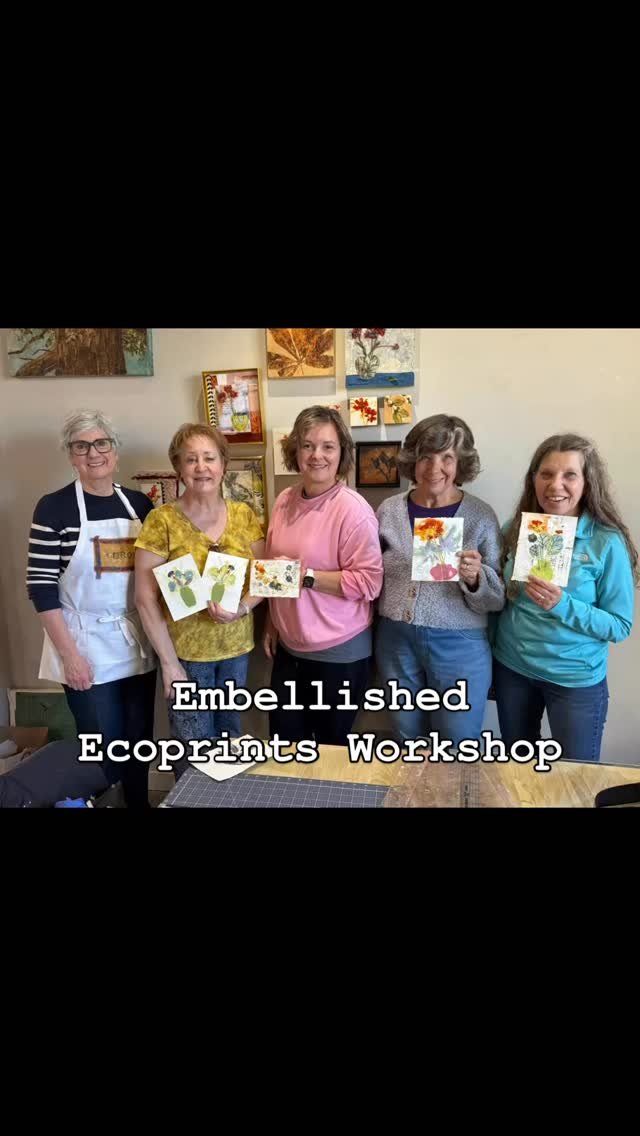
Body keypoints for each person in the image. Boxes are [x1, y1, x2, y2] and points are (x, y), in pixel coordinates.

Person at [27, 409, 157, 809]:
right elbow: (41, 588)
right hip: (85, 647)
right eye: (81, 446)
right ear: (71, 455)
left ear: (115, 451)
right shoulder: (54, 508)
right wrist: (71, 657)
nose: (93, 453)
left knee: (138, 745)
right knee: (102, 750)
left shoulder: (140, 504)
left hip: (135, 643)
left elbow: (159, 573)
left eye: (101, 443)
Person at [493, 433, 637, 762]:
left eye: (569, 475)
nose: (555, 485)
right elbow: (497, 602)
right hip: (512, 669)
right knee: (518, 771)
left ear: (587, 482)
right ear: (533, 479)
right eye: (546, 474)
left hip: (575, 680)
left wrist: (563, 605)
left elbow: (619, 626)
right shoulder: (515, 529)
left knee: (576, 775)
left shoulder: (605, 541)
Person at [135, 424, 264, 770]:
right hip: (186, 658)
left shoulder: (244, 515)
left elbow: (263, 578)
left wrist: (242, 608)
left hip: (236, 654)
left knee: (230, 743)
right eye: (191, 459)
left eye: (209, 457)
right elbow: (145, 599)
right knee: (193, 753)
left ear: (223, 464)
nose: (201, 467)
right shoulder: (161, 520)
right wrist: (168, 664)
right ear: (178, 468)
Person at [376, 414, 505, 747]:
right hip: (396, 640)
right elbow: (372, 574)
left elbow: (497, 599)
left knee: (457, 743)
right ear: (412, 461)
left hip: (459, 644)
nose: (435, 468)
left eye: (447, 457)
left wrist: (476, 579)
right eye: (425, 457)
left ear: (461, 463)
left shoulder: (480, 516)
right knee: (406, 740)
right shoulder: (389, 511)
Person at [263, 406, 383, 745]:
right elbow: (274, 568)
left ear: (341, 452)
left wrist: (309, 577)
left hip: (339, 653)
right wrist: (272, 621)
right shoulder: (284, 500)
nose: (317, 455)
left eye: (328, 446)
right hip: (289, 649)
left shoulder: (353, 510)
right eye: (307, 445)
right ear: (295, 451)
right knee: (285, 747)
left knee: (330, 753)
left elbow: (370, 582)